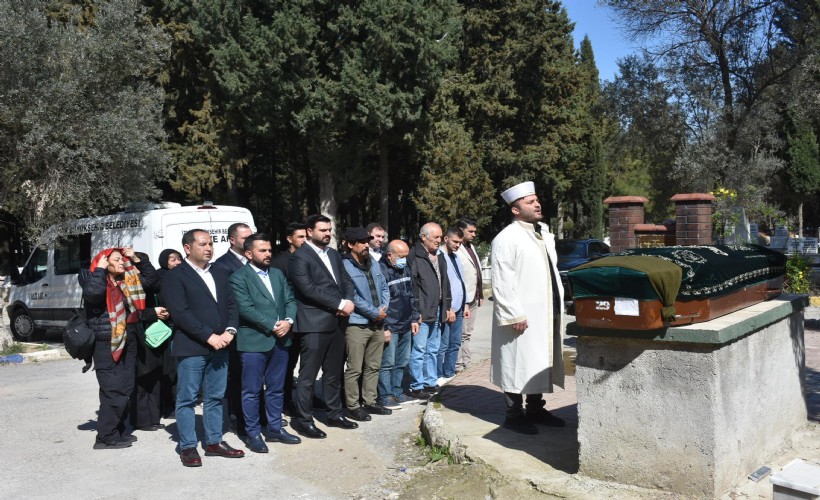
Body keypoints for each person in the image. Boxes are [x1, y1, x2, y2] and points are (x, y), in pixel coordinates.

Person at [163, 229, 244, 466]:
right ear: (187, 248)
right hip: (192, 347)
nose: (209, 248)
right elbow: (180, 313)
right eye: (202, 244)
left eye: (210, 244)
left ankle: (213, 442)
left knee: (216, 396)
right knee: (187, 398)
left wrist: (230, 331)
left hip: (221, 345)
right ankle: (188, 446)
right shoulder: (175, 276)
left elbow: (232, 305)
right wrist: (209, 336)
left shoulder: (219, 272)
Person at [491, 181, 566, 435]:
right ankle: (513, 414)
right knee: (515, 361)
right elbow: (502, 279)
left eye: (537, 200)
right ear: (515, 209)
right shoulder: (506, 238)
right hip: (521, 316)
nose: (537, 204)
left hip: (544, 312)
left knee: (538, 360)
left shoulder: (542, 233)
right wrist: (513, 313)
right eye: (529, 201)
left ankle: (535, 408)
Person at [79, 247, 167, 449]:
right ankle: (105, 438)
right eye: (117, 260)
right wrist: (100, 270)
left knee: (125, 387)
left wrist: (137, 258)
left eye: (122, 259)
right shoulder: (95, 281)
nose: (122, 262)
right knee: (113, 389)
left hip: (127, 342)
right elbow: (93, 294)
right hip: (106, 344)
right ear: (104, 263)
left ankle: (115, 431)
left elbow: (151, 280)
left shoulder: (125, 283)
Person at [288, 214, 358, 439]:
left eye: (329, 230)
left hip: (337, 321)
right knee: (307, 377)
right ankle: (304, 420)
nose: (327, 234)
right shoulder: (300, 257)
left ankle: (334, 414)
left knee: (333, 373)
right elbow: (307, 289)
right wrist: (339, 304)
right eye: (323, 230)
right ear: (309, 231)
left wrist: (346, 302)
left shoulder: (334, 254)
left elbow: (346, 281)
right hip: (314, 324)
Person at [229, 233, 301, 453]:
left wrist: (288, 321)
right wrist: (273, 324)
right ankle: (252, 433)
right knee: (251, 390)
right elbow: (245, 308)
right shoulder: (239, 277)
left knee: (276, 388)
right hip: (254, 342)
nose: (268, 254)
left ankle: (274, 428)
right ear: (249, 253)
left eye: (269, 250)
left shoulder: (277, 274)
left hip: (280, 340)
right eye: (262, 250)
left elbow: (289, 299)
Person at [341, 227, 392, 421]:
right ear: (350, 244)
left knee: (373, 365)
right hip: (357, 324)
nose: (365, 244)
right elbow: (351, 295)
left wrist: (383, 308)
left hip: (378, 322)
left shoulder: (373, 263)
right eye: (361, 241)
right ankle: (353, 406)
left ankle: (370, 401)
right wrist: (374, 312)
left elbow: (384, 287)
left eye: (366, 241)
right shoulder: (344, 265)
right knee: (355, 368)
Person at [211, 222, 254, 437]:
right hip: (237, 328)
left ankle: (253, 416)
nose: (250, 240)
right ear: (233, 240)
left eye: (251, 236)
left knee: (252, 377)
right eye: (245, 237)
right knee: (236, 377)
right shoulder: (222, 265)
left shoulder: (254, 260)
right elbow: (231, 300)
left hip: (255, 329)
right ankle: (237, 420)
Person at [406, 222, 453, 399]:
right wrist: (415, 312)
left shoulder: (439, 256)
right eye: (436, 237)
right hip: (422, 311)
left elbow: (445, 283)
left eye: (440, 237)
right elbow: (412, 286)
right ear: (423, 237)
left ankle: (430, 382)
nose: (439, 241)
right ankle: (417, 386)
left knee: (433, 349)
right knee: (419, 350)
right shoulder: (414, 256)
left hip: (438, 309)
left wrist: (447, 306)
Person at [131, 251, 173, 432]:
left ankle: (153, 417)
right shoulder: (130, 283)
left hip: (156, 334)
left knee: (155, 376)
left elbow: (154, 281)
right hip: (140, 333)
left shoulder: (152, 282)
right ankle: (142, 419)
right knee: (142, 378)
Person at [377, 240, 420, 409]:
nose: (404, 260)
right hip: (390, 323)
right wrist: (385, 326)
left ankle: (397, 392)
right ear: (389, 255)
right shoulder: (381, 270)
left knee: (402, 361)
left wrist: (415, 318)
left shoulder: (405, 268)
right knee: (387, 363)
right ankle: (385, 396)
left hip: (406, 322)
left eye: (406, 256)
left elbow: (411, 294)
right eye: (401, 256)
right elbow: (381, 301)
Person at [271, 221, 307, 414]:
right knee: (287, 365)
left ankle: (305, 400)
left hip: (310, 321)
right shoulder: (279, 263)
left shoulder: (311, 258)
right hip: (290, 322)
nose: (304, 240)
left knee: (308, 365)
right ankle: (285, 402)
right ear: (289, 239)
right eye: (300, 237)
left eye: (306, 236)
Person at [437, 227, 469, 385]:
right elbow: (443, 285)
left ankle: (449, 372)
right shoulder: (439, 257)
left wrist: (466, 303)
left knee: (455, 342)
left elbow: (460, 281)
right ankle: (437, 375)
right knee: (443, 343)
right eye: (455, 242)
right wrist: (448, 307)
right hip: (447, 307)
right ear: (446, 239)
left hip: (460, 306)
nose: (458, 245)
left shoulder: (456, 257)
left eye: (460, 243)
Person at [155, 249, 182, 419]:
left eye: (179, 259)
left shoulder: (183, 276)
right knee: (167, 369)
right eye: (173, 260)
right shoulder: (159, 277)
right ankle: (167, 405)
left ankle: (176, 402)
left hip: (178, 327)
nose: (177, 263)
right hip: (163, 328)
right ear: (164, 261)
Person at [455, 217, 483, 373]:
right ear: (460, 230)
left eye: (475, 231)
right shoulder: (456, 249)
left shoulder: (471, 247)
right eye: (470, 231)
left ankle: (466, 360)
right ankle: (458, 363)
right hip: (462, 299)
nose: (473, 234)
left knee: (468, 332)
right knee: (460, 332)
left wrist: (480, 295)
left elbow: (476, 272)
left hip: (473, 297)